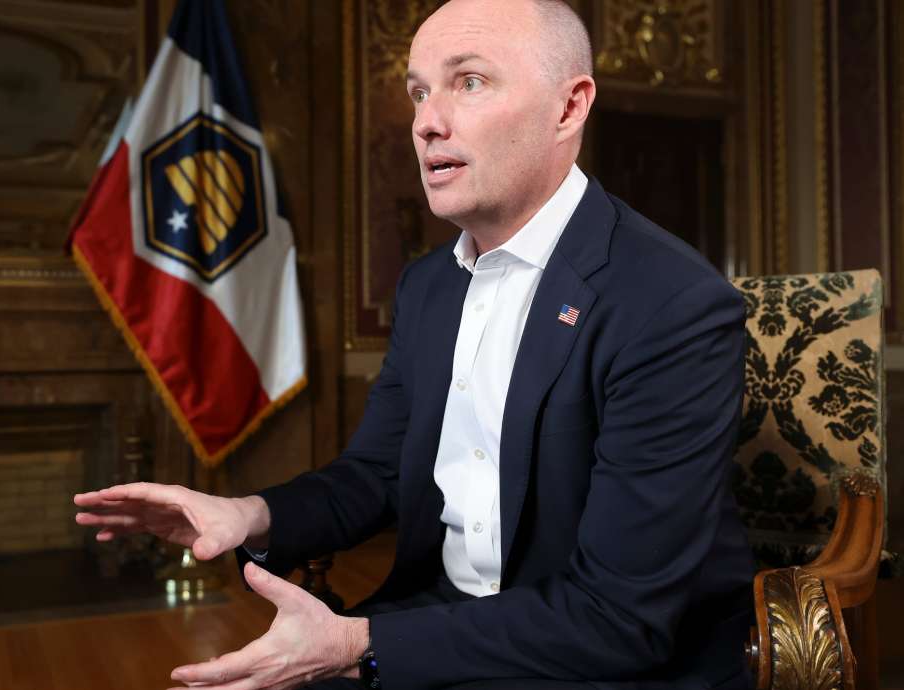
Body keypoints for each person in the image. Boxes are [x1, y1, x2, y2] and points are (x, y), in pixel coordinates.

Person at [73, 0, 753, 688]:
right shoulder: (428, 287)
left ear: (569, 107)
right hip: (444, 625)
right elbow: (378, 475)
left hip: (604, 661)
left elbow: (618, 618)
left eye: (469, 82)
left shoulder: (673, 304)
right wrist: (246, 515)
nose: (427, 121)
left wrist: (355, 644)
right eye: (419, 91)